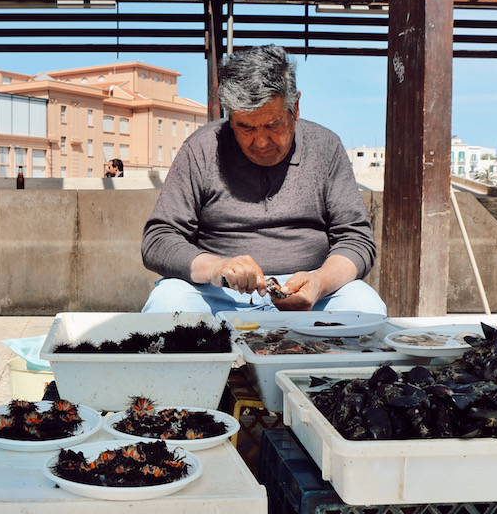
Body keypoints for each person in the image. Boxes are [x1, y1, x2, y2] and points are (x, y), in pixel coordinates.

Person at [141, 45, 386, 315]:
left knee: (365, 307)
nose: (260, 142)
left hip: (315, 294)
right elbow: (158, 239)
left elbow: (356, 239)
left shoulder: (326, 147)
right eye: (245, 127)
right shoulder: (200, 148)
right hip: (218, 294)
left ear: (295, 107)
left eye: (273, 125)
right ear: (230, 117)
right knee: (167, 304)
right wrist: (215, 267)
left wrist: (320, 282)